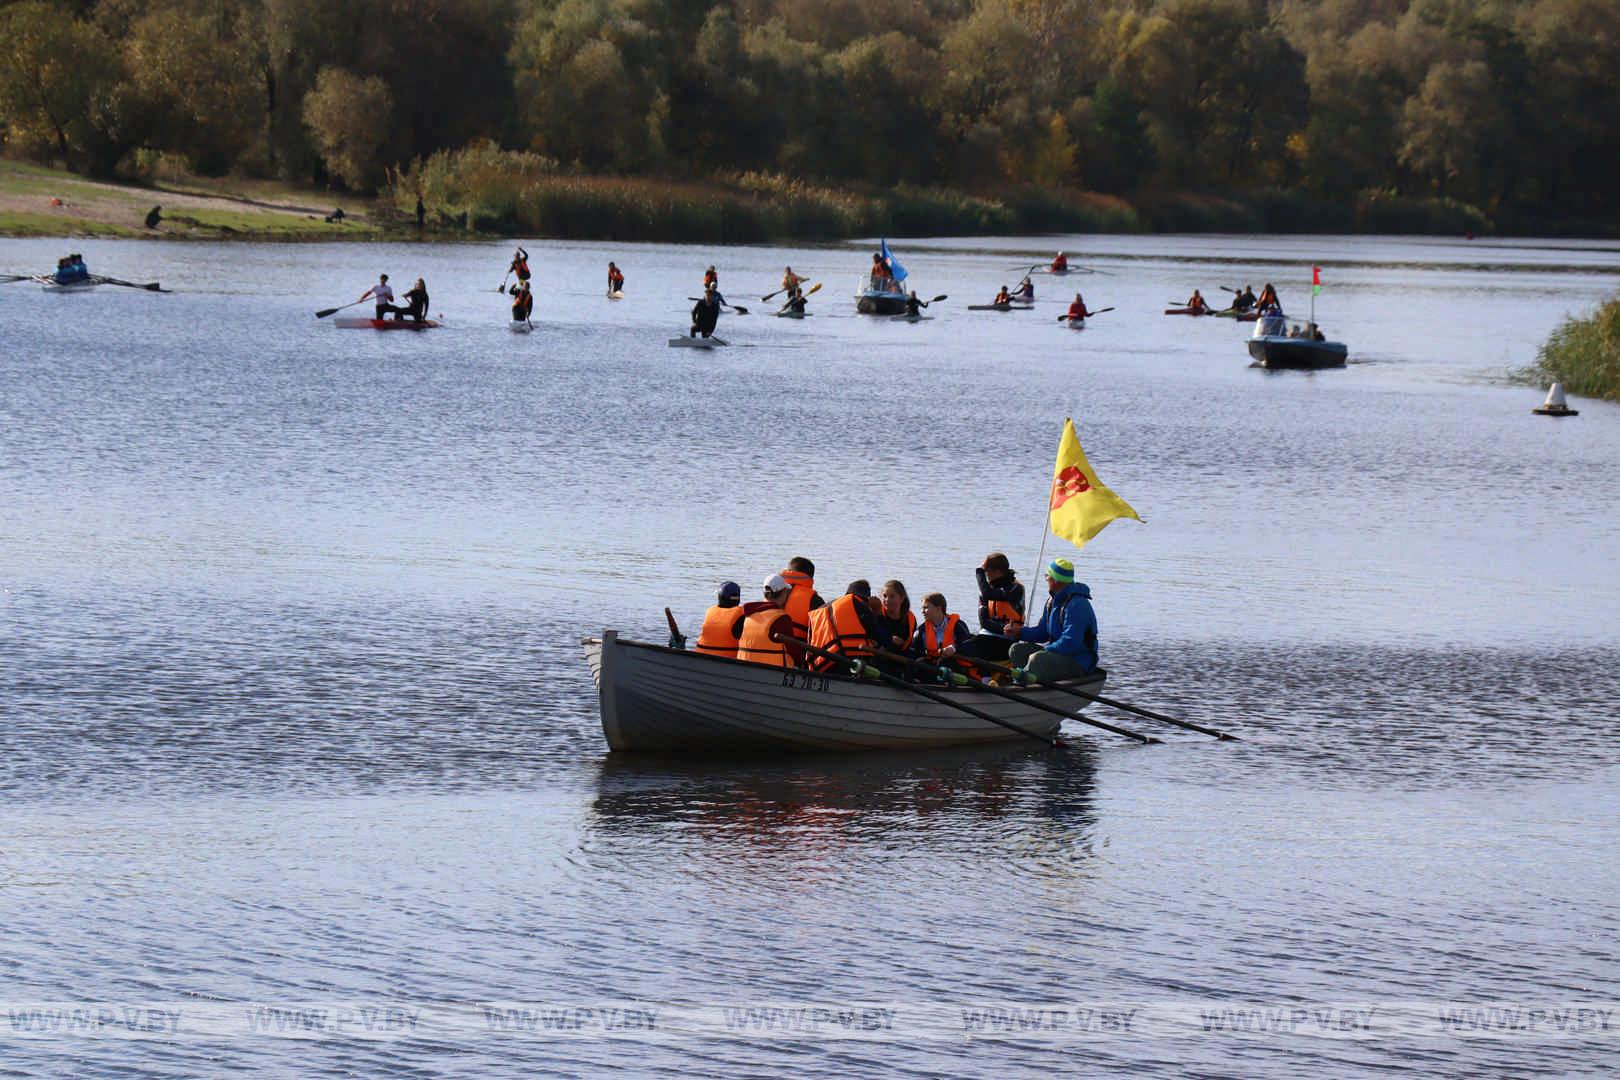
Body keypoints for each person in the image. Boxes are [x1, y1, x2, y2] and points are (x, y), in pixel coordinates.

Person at [1006, 558, 1100, 682]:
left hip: (1079, 661)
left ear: (1055, 580)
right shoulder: (1052, 602)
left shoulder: (1078, 605)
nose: (1046, 579)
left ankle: (1022, 683)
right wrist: (1020, 632)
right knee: (1016, 650)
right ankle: (1030, 679)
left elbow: (1070, 642)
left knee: (1037, 659)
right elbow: (1042, 632)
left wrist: (1046, 651)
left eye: (1047, 576)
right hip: (1058, 654)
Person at [807, 580, 885, 671]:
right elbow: (881, 637)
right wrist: (878, 613)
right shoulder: (859, 603)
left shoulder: (820, 610)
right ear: (866, 597)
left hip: (821, 665)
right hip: (850, 663)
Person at [735, 574, 806, 668]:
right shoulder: (781, 618)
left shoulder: (748, 615)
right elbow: (794, 652)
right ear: (784, 593)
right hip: (774, 670)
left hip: (744, 666)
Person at [972, 553, 1025, 662]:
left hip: (1009, 638)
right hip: (988, 633)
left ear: (997, 571)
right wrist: (1001, 629)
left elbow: (988, 593)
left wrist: (979, 572)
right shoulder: (986, 591)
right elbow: (984, 622)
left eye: (986, 571)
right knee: (965, 645)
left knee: (981, 647)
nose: (986, 575)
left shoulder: (1016, 589)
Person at [909, 593, 974, 674]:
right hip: (934, 666)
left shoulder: (958, 625)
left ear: (938, 608)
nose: (922, 612)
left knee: (945, 663)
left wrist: (954, 648)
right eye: (922, 608)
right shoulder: (921, 631)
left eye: (926, 608)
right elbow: (914, 652)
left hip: (956, 666)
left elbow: (969, 647)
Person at [694, 581, 745, 658]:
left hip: (700, 657)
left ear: (720, 597)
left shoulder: (710, 611)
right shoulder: (741, 615)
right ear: (738, 599)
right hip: (727, 661)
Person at [778, 556, 824, 640]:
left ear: (788, 571)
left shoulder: (773, 590)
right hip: (797, 649)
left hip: (767, 646)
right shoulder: (815, 600)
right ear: (811, 577)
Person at [874, 579, 916, 657]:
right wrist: (889, 638)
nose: (887, 600)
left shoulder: (910, 618)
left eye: (892, 596)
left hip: (901, 657)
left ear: (902, 598)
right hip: (878, 656)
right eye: (885, 596)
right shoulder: (876, 614)